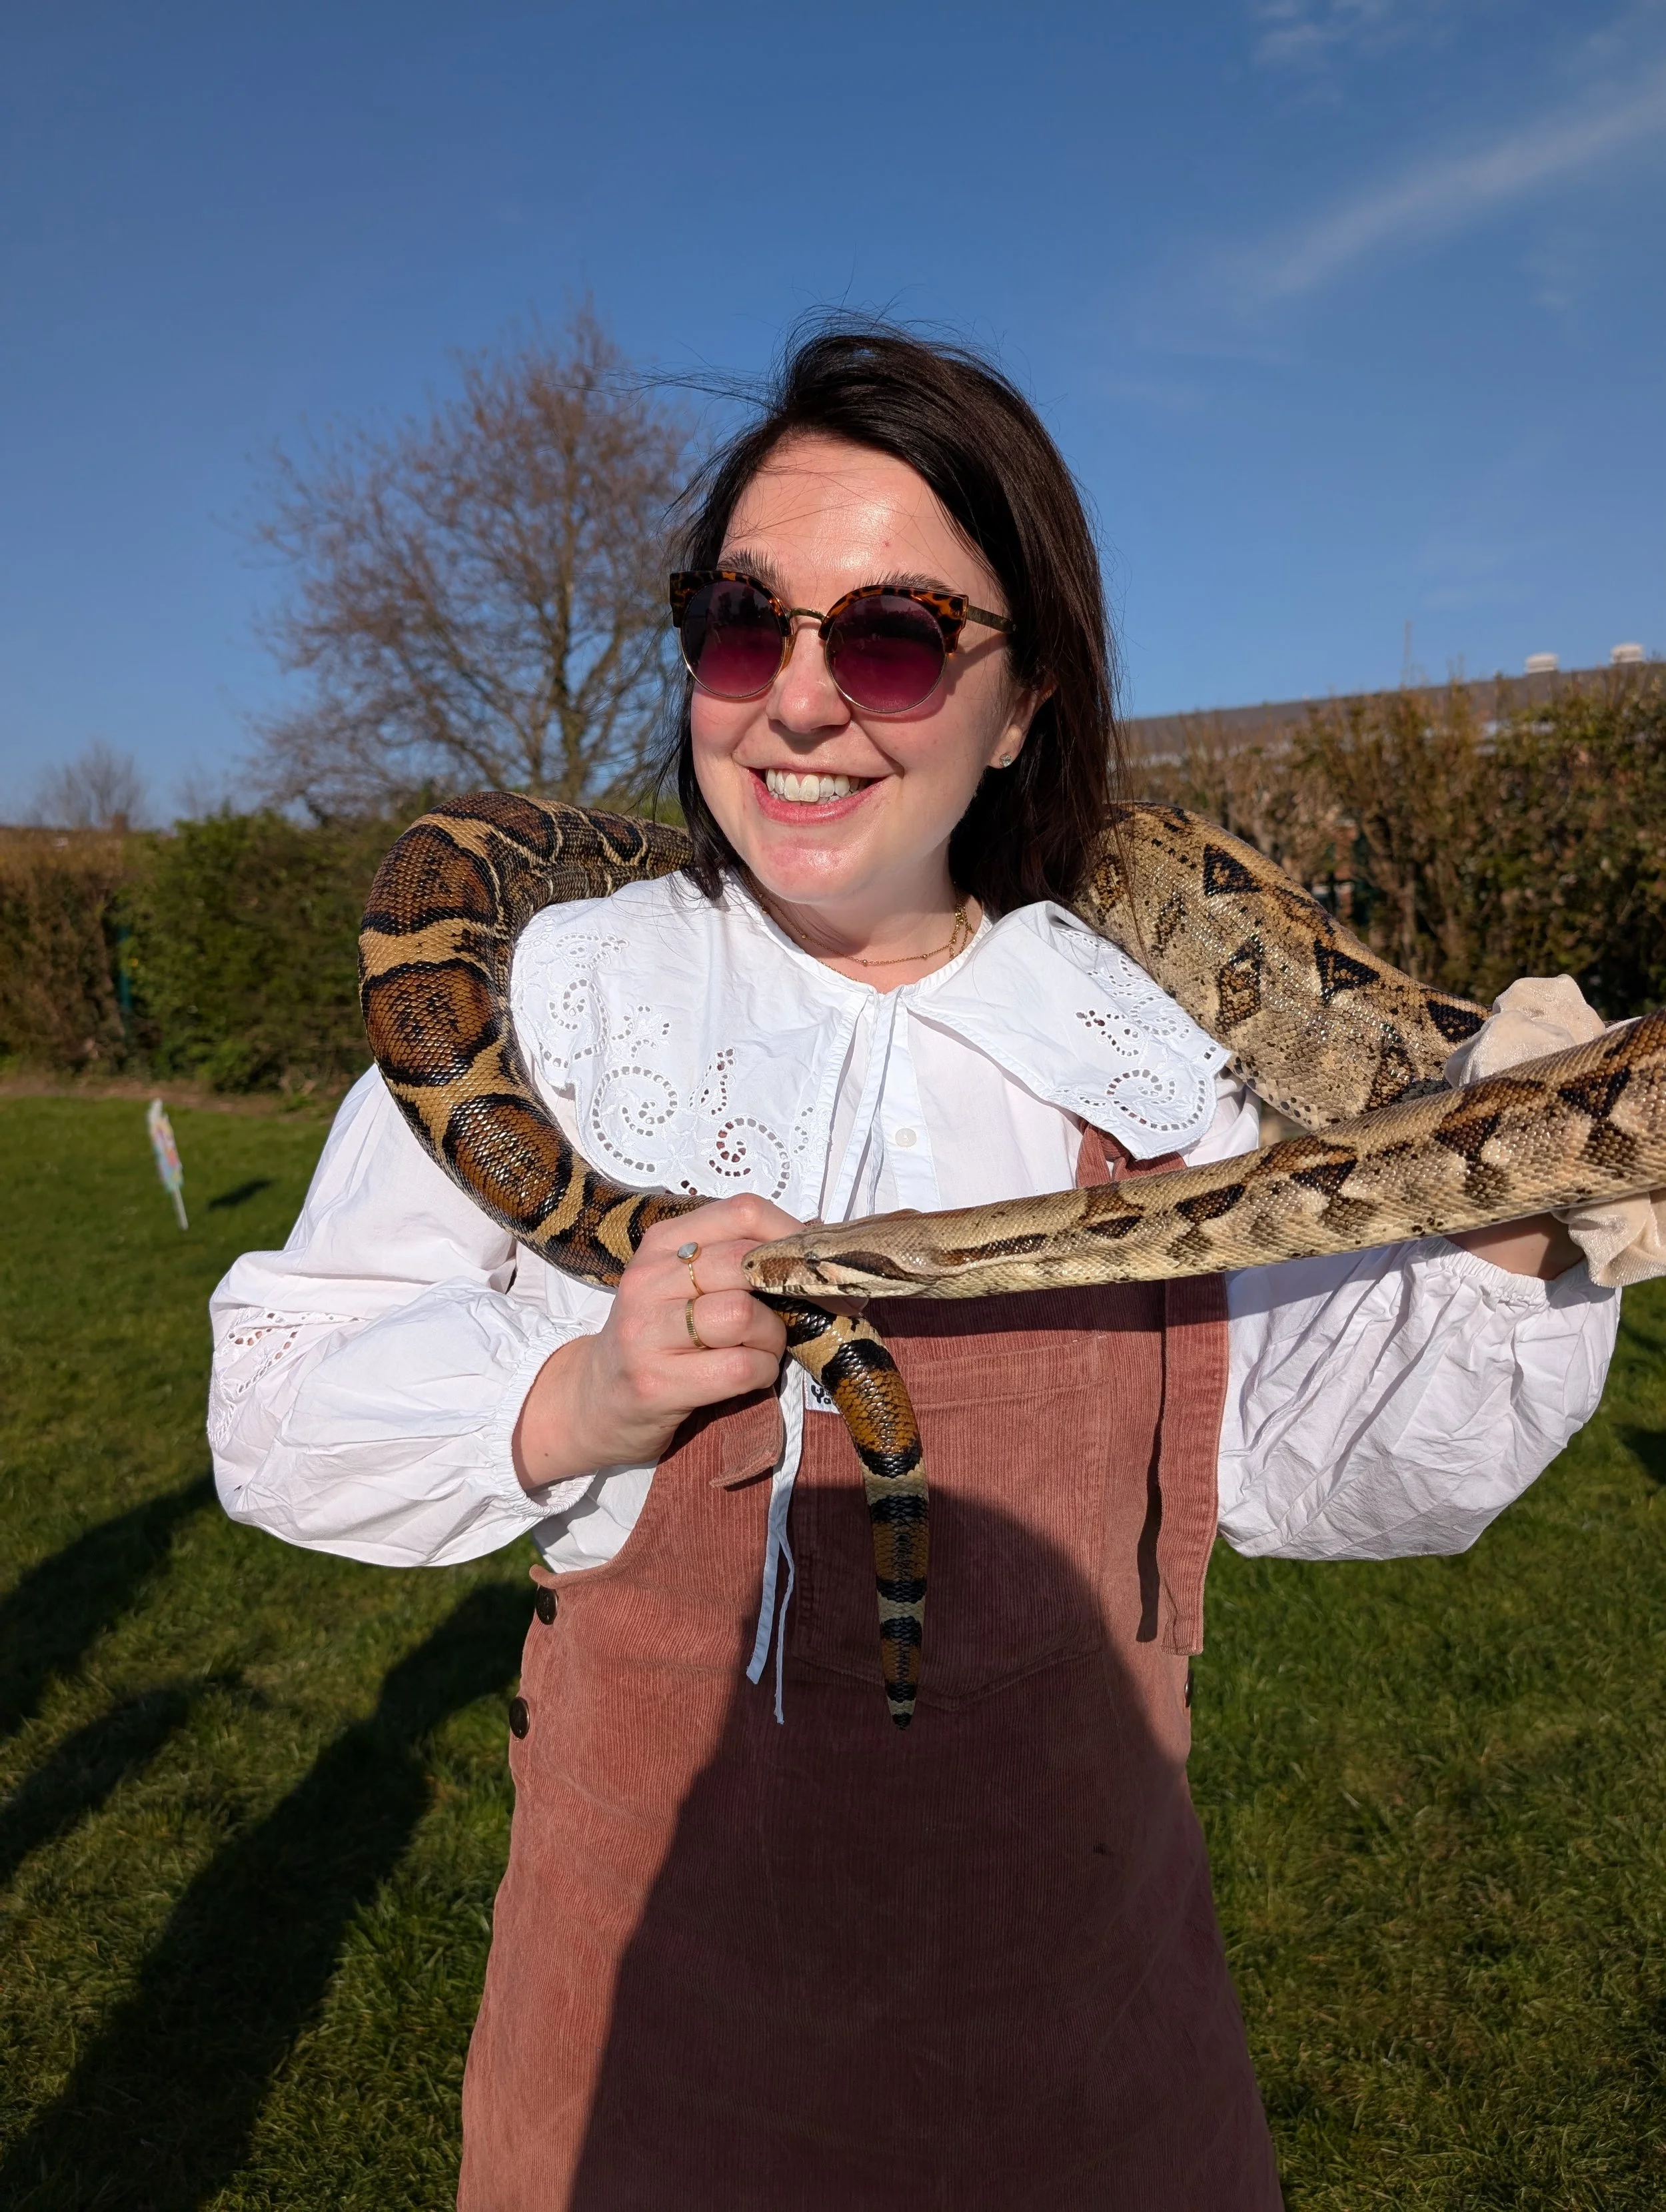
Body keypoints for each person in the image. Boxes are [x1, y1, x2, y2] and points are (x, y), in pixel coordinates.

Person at [209, 326, 1621, 2211]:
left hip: (1075, 2014)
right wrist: (591, 1393)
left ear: (1024, 698)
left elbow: (1322, 1471)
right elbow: (285, 1420)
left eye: (887, 638)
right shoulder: (551, 1002)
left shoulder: (1152, 1056)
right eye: (739, 624)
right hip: (649, 2020)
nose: (797, 704)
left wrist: (1521, 1196)